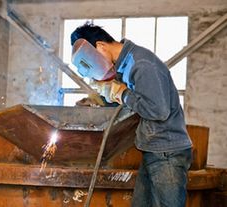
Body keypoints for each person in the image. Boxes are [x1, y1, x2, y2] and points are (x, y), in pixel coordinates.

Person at [70, 23, 193, 207]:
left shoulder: (142, 64)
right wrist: (102, 98)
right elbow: (136, 102)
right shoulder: (125, 66)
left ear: (101, 46)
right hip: (153, 150)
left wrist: (123, 94)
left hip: (167, 153)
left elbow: (158, 110)